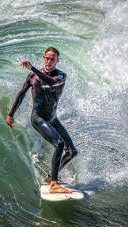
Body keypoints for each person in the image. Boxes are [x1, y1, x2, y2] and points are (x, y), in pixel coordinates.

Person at [6, 47, 77, 193]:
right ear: (43, 57)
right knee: (59, 144)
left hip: (52, 119)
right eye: (47, 58)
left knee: (72, 152)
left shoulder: (61, 76)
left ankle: (50, 176)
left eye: (52, 59)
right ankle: (54, 183)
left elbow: (50, 82)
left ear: (57, 60)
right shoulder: (32, 76)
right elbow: (21, 95)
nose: (49, 61)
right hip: (38, 118)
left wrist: (32, 67)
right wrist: (11, 114)